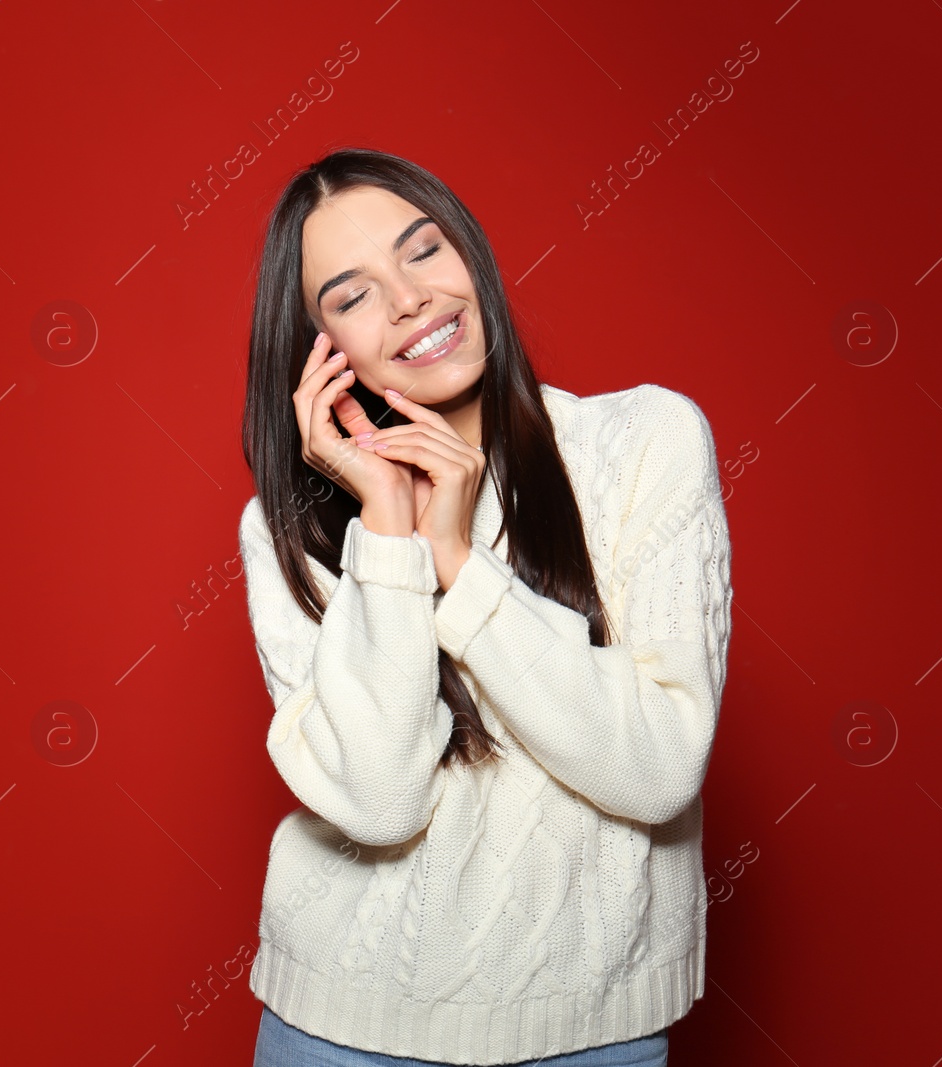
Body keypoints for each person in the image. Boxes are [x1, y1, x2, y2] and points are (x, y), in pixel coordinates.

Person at [237, 147, 733, 1067]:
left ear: (470, 254)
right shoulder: (288, 527)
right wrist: (388, 526)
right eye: (351, 296)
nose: (410, 299)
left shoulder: (644, 442)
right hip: (342, 1028)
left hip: (591, 1035)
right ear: (318, 354)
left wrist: (460, 564)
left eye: (424, 251)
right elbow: (381, 803)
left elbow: (661, 768)